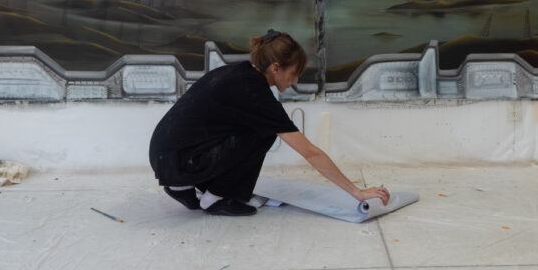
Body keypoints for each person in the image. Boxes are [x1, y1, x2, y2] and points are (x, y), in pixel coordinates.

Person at [149, 29, 390, 217]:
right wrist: (357, 192)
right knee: (263, 133)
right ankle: (215, 197)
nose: (295, 80)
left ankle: (183, 186)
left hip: (166, 158)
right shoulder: (256, 95)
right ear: (276, 68)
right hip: (180, 162)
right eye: (294, 73)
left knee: (250, 128)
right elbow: (310, 153)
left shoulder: (237, 73)